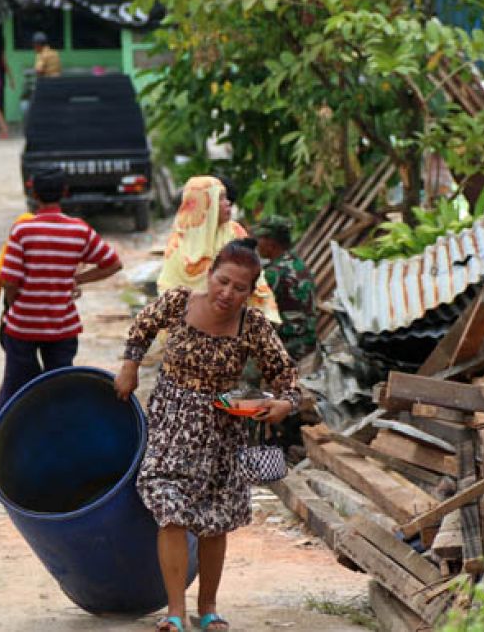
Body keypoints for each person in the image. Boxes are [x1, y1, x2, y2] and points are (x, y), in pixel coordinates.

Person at [113, 239, 299, 632]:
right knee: (170, 511)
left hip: (221, 431)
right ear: (209, 274)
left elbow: (285, 376)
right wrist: (129, 366)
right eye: (222, 281)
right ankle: (175, 613)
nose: (227, 293)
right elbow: (143, 326)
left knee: (215, 520)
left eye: (239, 288)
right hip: (171, 423)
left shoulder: (254, 327)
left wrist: (284, 403)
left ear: (251, 293)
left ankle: (208, 608)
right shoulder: (178, 302)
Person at [0, 167, 122, 469]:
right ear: (65, 193)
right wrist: (76, 281)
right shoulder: (79, 230)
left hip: (23, 327)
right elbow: (112, 263)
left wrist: (16, 307)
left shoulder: (23, 231)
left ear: (33, 192)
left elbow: (9, 278)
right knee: (60, 389)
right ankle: (64, 456)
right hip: (63, 327)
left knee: (14, 387)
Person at [157, 175, 279, 323]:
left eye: (226, 197)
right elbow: (168, 290)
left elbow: (255, 278)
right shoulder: (179, 243)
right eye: (220, 198)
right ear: (204, 203)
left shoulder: (235, 232)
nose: (228, 203)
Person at [254, 215, 317, 361]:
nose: (257, 243)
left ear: (271, 243)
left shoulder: (273, 274)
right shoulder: (298, 265)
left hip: (290, 347)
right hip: (308, 342)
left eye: (260, 239)